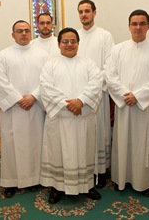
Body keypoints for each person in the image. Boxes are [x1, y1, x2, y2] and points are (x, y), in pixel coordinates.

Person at [105, 9, 149, 197]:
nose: (138, 27)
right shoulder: (118, 49)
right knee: (122, 142)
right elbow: (110, 75)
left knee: (143, 144)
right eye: (134, 23)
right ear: (129, 26)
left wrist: (138, 96)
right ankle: (120, 179)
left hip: (144, 107)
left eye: (142, 23)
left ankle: (144, 182)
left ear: (148, 26)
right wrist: (126, 95)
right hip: (124, 105)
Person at [40, 27, 103, 204]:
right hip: (60, 119)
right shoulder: (50, 64)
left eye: (73, 41)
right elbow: (46, 88)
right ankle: (56, 186)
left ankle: (87, 185)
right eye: (65, 41)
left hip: (83, 118)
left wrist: (81, 101)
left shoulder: (88, 63)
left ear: (78, 43)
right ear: (59, 44)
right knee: (57, 153)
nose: (69, 44)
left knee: (85, 151)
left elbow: (96, 83)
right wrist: (69, 105)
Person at [0, 20, 48, 198]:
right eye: (19, 31)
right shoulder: (3, 55)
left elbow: (47, 79)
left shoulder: (42, 54)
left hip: (35, 107)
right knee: (11, 145)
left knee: (35, 144)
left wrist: (34, 96)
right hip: (13, 110)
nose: (23, 34)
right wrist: (18, 99)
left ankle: (34, 179)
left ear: (31, 33)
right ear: (13, 34)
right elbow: (0, 81)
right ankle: (11, 181)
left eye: (26, 30)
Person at [77, 0, 115, 188]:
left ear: (94, 12)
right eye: (81, 12)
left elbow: (109, 65)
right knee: (82, 135)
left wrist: (91, 86)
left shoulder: (105, 36)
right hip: (78, 95)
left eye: (87, 11)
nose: (84, 14)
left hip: (97, 94)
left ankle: (100, 171)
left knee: (99, 133)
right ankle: (84, 169)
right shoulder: (75, 36)